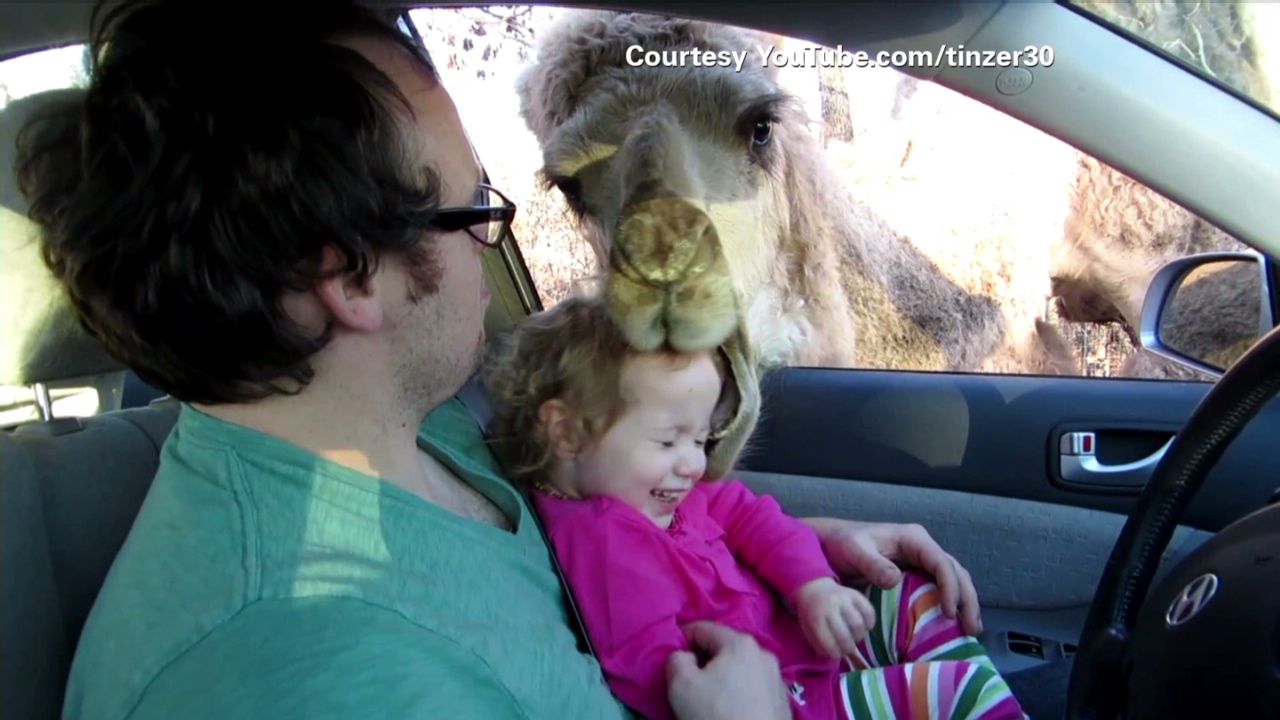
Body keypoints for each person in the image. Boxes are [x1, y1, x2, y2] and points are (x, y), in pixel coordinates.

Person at [15, 1, 988, 717]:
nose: (493, 246)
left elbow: (593, 529)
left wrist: (800, 547)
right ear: (346, 276)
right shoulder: (308, 670)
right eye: (476, 211)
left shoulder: (423, 426)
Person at [483, 293, 1028, 720]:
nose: (694, 465)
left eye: (701, 439)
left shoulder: (664, 494)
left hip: (804, 642)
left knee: (915, 593)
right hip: (787, 698)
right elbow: (652, 670)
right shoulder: (602, 543)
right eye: (670, 440)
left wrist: (812, 587)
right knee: (958, 691)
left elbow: (757, 518)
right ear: (568, 433)